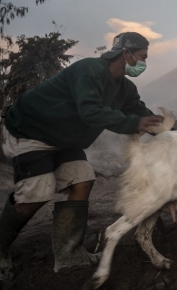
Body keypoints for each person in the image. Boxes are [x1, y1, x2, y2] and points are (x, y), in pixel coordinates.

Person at [0, 32, 164, 280]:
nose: (143, 63)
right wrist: (136, 122)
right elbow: (92, 113)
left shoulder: (125, 89)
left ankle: (69, 253)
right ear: (126, 53)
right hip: (31, 130)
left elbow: (142, 115)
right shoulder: (89, 71)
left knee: (83, 179)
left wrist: (175, 133)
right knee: (36, 192)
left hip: (64, 139)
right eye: (142, 57)